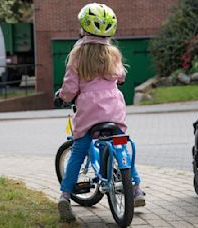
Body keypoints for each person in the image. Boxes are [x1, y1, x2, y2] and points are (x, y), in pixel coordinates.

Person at [55, 3, 145, 222]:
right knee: (123, 144)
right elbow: (121, 76)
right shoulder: (112, 52)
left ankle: (65, 196)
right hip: (113, 109)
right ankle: (136, 189)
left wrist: (62, 96)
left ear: (84, 27)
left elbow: (70, 88)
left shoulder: (77, 54)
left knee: (79, 150)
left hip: (88, 111)